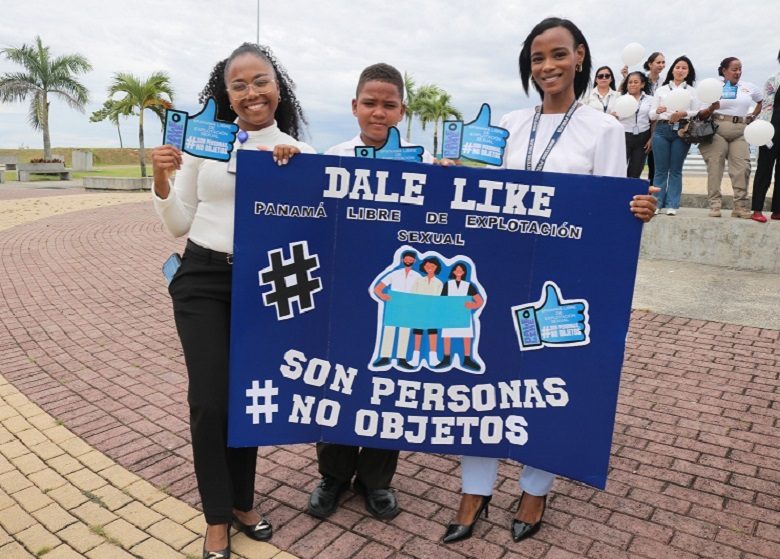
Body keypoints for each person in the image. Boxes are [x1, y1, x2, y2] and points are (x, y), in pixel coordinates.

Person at [441, 17, 657, 545]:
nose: (547, 67)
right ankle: (476, 489)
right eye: (537, 59)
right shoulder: (509, 126)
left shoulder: (603, 129)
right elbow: (475, 191)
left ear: (580, 56)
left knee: (546, 381)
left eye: (558, 54)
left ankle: (535, 486)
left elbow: (609, 208)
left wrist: (638, 207)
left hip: (563, 277)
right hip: (498, 271)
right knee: (483, 378)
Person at [151, 43, 315, 559]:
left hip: (262, 285)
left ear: (278, 86)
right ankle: (217, 517)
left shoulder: (298, 152)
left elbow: (310, 228)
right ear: (225, 95)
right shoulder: (207, 146)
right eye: (238, 85)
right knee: (209, 401)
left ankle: (243, 502)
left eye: (260, 81)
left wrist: (291, 176)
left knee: (248, 398)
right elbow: (178, 223)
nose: (251, 93)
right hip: (201, 278)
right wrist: (160, 177)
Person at [308, 63, 433, 522]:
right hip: (342, 292)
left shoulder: (422, 161)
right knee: (336, 381)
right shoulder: (332, 156)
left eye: (389, 104)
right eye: (370, 103)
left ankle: (377, 480)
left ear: (402, 110)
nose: (378, 113)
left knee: (390, 383)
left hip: (400, 292)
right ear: (354, 106)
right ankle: (334, 475)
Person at [697, 57, 763, 218]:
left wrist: (753, 115)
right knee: (715, 167)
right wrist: (712, 107)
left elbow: (761, 101)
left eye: (740, 69)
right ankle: (715, 205)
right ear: (724, 71)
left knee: (743, 168)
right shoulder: (714, 87)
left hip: (741, 130)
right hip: (717, 128)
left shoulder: (748, 87)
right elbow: (701, 114)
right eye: (734, 69)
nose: (738, 72)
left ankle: (740, 206)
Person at [649, 55, 700, 216]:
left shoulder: (692, 91)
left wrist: (685, 112)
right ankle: (656, 203)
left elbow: (697, 112)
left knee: (676, 169)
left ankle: (672, 204)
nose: (680, 70)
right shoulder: (661, 90)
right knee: (660, 170)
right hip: (662, 130)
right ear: (672, 70)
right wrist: (657, 111)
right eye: (677, 67)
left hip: (682, 131)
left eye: (684, 68)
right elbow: (651, 115)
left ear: (688, 72)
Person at [751, 49, 780, 222]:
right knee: (764, 169)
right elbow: (767, 106)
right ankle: (757, 209)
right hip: (771, 127)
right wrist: (764, 131)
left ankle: (777, 210)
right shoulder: (773, 79)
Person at [438, 262, 484, 372]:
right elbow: (442, 300)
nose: (458, 272)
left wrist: (472, 305)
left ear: (464, 272)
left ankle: (467, 358)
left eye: (461, 270)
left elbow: (480, 301)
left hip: (463, 315)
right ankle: (446, 358)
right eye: (456, 270)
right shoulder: (447, 285)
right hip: (450, 315)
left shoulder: (469, 286)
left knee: (466, 336)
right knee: (447, 335)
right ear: (453, 271)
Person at [613, 71, 654, 178]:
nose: (632, 84)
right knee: (619, 170)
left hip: (643, 138)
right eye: (630, 82)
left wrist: (652, 138)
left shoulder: (650, 100)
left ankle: (631, 194)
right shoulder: (619, 100)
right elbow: (613, 119)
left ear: (642, 84)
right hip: (623, 137)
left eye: (636, 82)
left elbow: (654, 120)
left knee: (636, 171)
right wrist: (614, 116)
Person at [410, 256, 444, 367]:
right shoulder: (418, 280)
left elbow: (440, 299)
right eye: (427, 265)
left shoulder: (439, 283)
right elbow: (413, 295)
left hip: (432, 312)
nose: (430, 268)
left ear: (436, 268)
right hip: (419, 311)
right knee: (418, 333)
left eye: (432, 266)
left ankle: (433, 357)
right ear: (424, 266)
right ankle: (415, 357)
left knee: (432, 333)